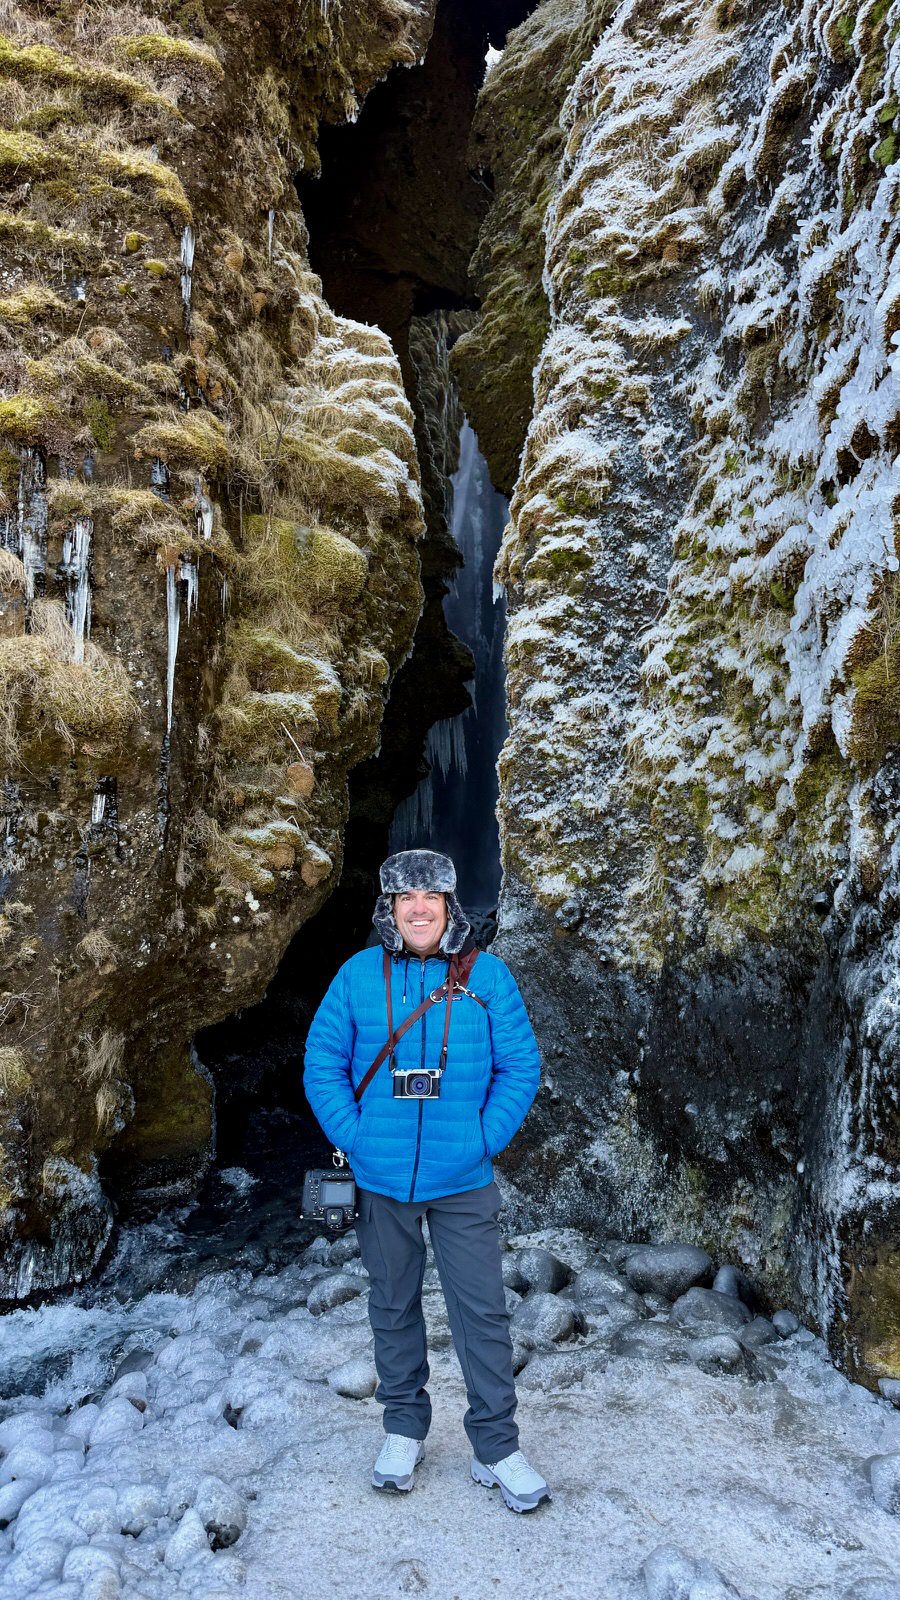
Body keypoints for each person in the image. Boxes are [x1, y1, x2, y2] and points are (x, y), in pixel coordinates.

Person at [302, 847, 552, 1513]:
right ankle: (403, 1429)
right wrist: (355, 1137)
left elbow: (520, 1068)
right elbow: (322, 1060)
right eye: (404, 899)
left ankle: (496, 1446)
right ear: (388, 910)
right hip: (381, 1176)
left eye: (430, 899)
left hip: (463, 1176)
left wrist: (482, 1138)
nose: (417, 909)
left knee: (483, 1311)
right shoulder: (357, 977)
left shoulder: (488, 978)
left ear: (449, 908)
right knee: (391, 1304)